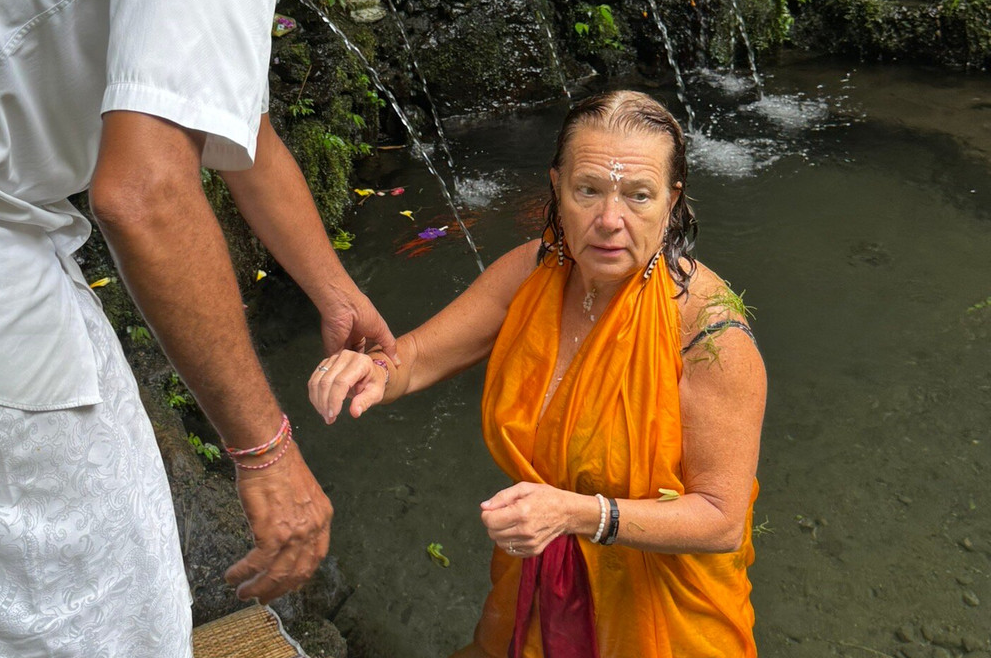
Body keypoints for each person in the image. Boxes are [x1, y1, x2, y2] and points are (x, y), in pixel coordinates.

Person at [0, 0, 463, 655]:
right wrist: (266, 454)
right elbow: (145, 196)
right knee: (108, 612)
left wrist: (335, 293)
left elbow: (237, 125)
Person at [309, 91, 767, 657]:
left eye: (638, 196)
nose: (609, 221)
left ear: (671, 202)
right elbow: (417, 357)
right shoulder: (536, 271)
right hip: (540, 571)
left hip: (661, 611)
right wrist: (371, 369)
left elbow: (721, 521)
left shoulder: (710, 332)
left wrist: (577, 514)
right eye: (589, 190)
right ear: (557, 187)